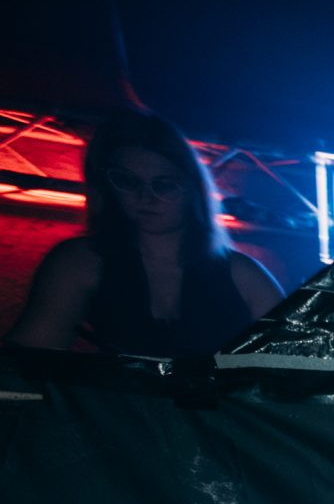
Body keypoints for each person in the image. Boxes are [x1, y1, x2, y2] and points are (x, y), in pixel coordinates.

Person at [5, 109, 282, 358]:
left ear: (192, 190)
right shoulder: (79, 262)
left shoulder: (243, 274)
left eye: (164, 184)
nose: (145, 197)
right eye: (127, 181)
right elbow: (28, 362)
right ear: (106, 186)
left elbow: (292, 366)